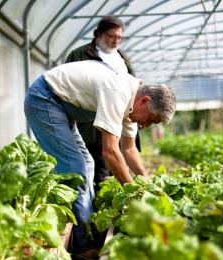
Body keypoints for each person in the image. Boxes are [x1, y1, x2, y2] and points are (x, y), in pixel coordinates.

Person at [24, 60, 176, 259]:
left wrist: (145, 181)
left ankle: (88, 225)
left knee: (88, 163)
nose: (146, 126)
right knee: (75, 167)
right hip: (45, 99)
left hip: (61, 107)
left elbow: (129, 149)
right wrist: (134, 193)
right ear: (145, 101)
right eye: (151, 119)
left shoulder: (132, 105)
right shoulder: (118, 92)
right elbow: (110, 151)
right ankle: (82, 245)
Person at [65, 16, 141, 192]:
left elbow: (134, 92)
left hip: (116, 122)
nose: (116, 41)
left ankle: (112, 207)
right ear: (98, 34)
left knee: (115, 169)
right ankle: (96, 212)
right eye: (111, 36)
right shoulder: (79, 55)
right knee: (94, 170)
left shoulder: (123, 59)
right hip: (90, 126)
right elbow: (70, 90)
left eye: (120, 37)